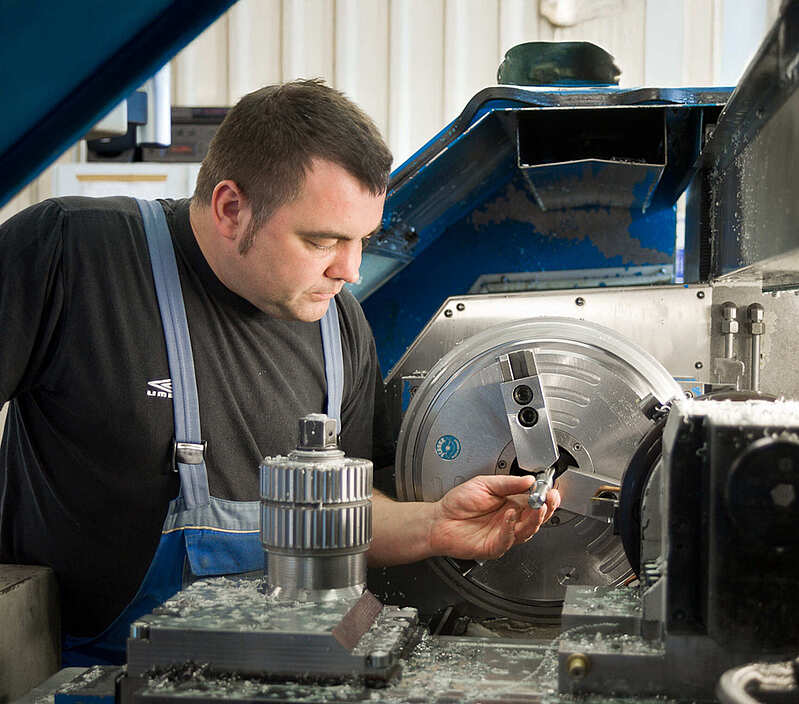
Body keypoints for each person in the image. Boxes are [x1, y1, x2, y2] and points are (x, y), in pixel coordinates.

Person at [0, 79, 559, 665]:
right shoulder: (69, 255)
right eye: (323, 241)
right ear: (231, 209)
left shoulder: (340, 325)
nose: (349, 270)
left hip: (281, 676)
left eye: (362, 240)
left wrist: (434, 525)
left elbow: (344, 516)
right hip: (91, 677)